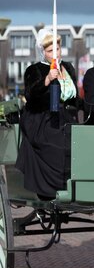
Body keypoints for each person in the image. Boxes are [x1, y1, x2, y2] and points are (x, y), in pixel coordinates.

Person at [15, 28, 79, 200]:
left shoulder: (68, 68)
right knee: (56, 147)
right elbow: (30, 95)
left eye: (57, 49)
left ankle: (74, 189)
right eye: (50, 51)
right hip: (41, 119)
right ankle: (50, 193)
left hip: (65, 117)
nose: (55, 53)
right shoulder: (34, 69)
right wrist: (47, 80)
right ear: (42, 52)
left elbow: (74, 99)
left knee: (79, 144)